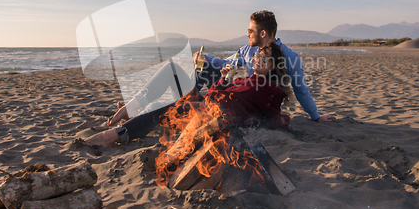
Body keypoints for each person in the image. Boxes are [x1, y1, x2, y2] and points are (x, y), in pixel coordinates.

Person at [83, 42, 291, 147]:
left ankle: (117, 135)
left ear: (274, 66)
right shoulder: (248, 79)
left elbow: (267, 114)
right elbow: (213, 93)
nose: (257, 60)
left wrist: (283, 121)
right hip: (208, 106)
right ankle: (133, 107)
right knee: (172, 69)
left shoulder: (269, 87)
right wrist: (223, 79)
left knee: (168, 106)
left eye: (264, 59)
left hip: (213, 119)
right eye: (256, 56)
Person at [194, 10, 333, 122]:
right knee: (204, 68)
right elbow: (227, 63)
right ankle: (190, 103)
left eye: (250, 31)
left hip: (261, 107)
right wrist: (205, 58)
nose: (247, 34)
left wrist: (315, 116)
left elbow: (301, 90)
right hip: (246, 97)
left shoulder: (290, 57)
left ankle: (194, 108)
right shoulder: (248, 50)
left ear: (263, 33)